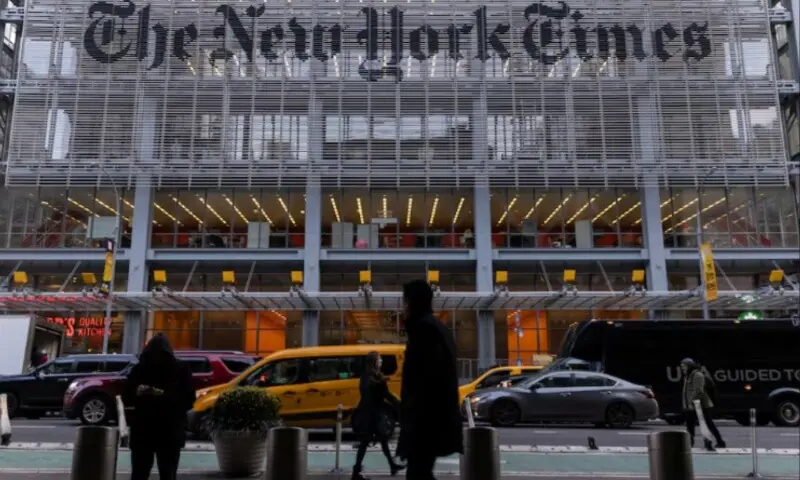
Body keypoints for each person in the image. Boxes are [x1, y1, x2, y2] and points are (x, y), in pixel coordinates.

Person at [396, 280, 463, 480]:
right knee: (421, 473)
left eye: (405, 302)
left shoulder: (424, 330)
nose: (403, 308)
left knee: (418, 474)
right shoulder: (436, 328)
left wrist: (411, 425)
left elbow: (423, 383)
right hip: (432, 422)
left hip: (424, 424)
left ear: (412, 302)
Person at [126, 333, 195, 480]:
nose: (156, 358)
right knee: (159, 472)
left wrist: (148, 393)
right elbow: (188, 399)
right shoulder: (179, 369)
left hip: (149, 429)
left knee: (146, 472)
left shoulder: (140, 369)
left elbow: (188, 399)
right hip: (164, 430)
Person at [351, 351, 405, 480]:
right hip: (369, 416)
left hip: (374, 415)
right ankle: (356, 472)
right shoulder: (369, 377)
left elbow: (385, 394)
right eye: (379, 360)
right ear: (373, 363)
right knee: (365, 443)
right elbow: (375, 394)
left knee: (382, 440)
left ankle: (392, 466)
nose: (381, 362)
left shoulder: (375, 376)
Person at [680, 358, 725, 450]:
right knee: (690, 426)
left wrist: (691, 402)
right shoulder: (688, 375)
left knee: (706, 424)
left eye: (684, 366)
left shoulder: (697, 375)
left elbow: (698, 391)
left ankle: (717, 442)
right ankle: (690, 444)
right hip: (691, 405)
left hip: (700, 405)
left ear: (689, 366)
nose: (682, 368)